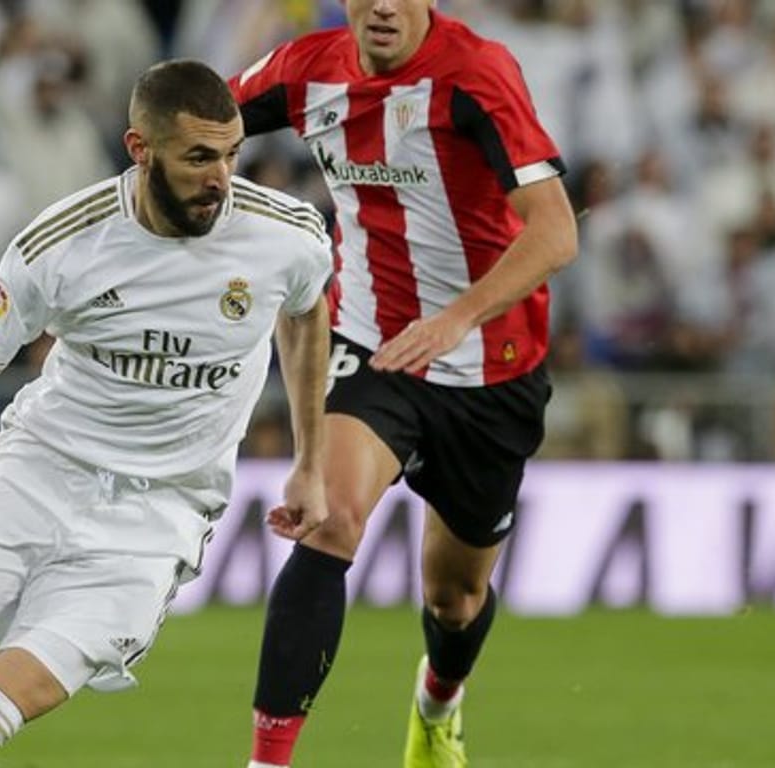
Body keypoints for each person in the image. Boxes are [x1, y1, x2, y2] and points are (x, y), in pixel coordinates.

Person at [0, 58, 333, 768]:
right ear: (140, 149)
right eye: (199, 157)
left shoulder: (286, 234)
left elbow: (304, 317)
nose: (221, 179)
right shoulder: (61, 244)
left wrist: (309, 461)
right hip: (37, 475)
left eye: (233, 155)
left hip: (157, 516)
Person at [228, 2, 579, 767]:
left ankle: (437, 703)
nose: (383, 4)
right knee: (330, 520)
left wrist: (458, 316)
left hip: (491, 367)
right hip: (371, 346)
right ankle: (267, 761)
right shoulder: (305, 70)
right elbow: (200, 121)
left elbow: (556, 231)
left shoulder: (476, 76)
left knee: (453, 601)